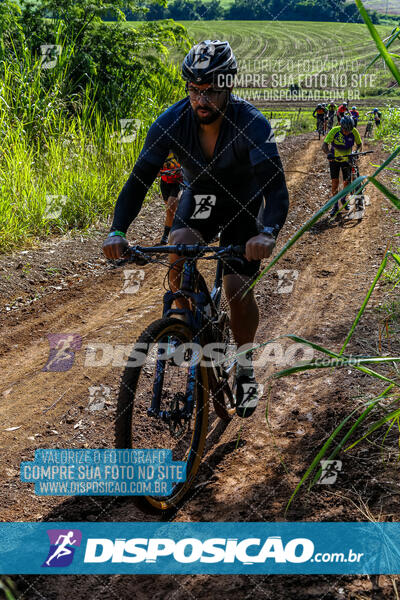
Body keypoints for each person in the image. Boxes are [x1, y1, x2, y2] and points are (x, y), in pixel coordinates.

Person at [102, 40, 289, 418]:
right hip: (199, 199)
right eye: (193, 89)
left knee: (236, 289)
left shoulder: (252, 123)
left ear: (229, 86)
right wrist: (117, 230)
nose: (201, 100)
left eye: (210, 91)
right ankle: (188, 326)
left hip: (242, 206)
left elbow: (276, 189)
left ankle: (246, 367)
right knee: (178, 246)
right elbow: (139, 181)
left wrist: (266, 232)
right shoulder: (171, 122)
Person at [322, 115, 362, 216]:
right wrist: (328, 154)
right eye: (345, 130)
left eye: (349, 130)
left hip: (347, 160)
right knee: (335, 182)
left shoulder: (354, 132)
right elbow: (324, 144)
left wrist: (356, 152)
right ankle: (335, 205)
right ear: (341, 126)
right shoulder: (335, 130)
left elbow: (360, 144)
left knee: (347, 182)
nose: (347, 132)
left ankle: (343, 199)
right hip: (334, 160)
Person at [158, 151, 184, 245]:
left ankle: (167, 234)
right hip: (165, 182)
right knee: (170, 212)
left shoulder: (178, 146)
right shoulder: (159, 150)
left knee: (170, 208)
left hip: (178, 181)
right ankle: (170, 232)